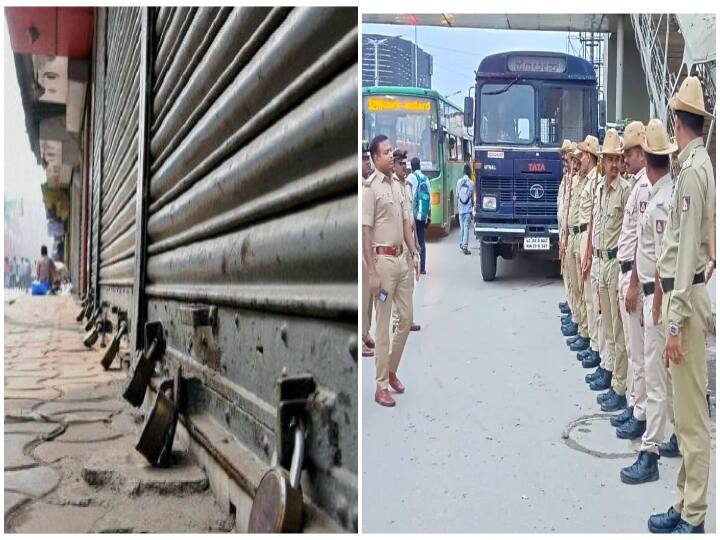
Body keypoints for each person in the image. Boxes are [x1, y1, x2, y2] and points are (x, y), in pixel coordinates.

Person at [649, 76, 715, 534]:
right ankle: (684, 500)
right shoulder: (697, 164)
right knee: (682, 409)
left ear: (676, 121)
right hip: (683, 294)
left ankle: (694, 513)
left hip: (684, 302)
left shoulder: (691, 171)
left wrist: (674, 324)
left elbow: (689, 247)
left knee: (691, 418)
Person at [620, 118, 678, 485]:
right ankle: (671, 436)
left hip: (657, 300)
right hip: (658, 297)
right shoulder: (664, 193)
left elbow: (660, 261)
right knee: (663, 378)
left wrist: (654, 302)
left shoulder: (660, 202)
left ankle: (651, 450)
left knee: (656, 380)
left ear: (648, 157)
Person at [362, 135, 419, 408]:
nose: (389, 156)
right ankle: (381, 385)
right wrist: (372, 274)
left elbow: (406, 222)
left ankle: (392, 368)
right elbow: (365, 232)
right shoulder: (370, 189)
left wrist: (414, 251)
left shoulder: (398, 185)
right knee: (382, 327)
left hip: (402, 261)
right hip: (382, 264)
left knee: (406, 319)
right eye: (385, 153)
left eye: (389, 152)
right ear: (374, 158)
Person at [613, 120, 652, 440]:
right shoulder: (638, 184)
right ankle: (634, 403)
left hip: (634, 276)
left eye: (628, 153)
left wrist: (634, 284)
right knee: (631, 345)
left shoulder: (644, 189)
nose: (624, 158)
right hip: (626, 272)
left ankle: (641, 412)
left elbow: (642, 241)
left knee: (638, 354)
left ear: (642, 152)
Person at [593, 129, 632, 413]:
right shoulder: (603, 189)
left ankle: (620, 387)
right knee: (607, 325)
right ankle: (614, 379)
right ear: (603, 162)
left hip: (618, 263)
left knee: (618, 331)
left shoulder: (626, 190)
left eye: (618, 159)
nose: (614, 164)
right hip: (602, 262)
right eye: (609, 159)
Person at [391, 148, 421, 333]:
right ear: (393, 165)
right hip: (398, 243)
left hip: (409, 240)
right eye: (401, 164)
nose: (405, 167)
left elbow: (410, 218)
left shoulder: (408, 187)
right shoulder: (392, 187)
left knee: (410, 282)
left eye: (405, 164)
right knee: (397, 284)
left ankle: (408, 319)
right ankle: (397, 321)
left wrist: (416, 243)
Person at [361, 141, 375, 358]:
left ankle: (365, 333)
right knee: (363, 293)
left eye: (367, 159)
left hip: (369, 248)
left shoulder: (367, 185)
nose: (366, 163)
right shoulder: (362, 187)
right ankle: (360, 332)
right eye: (362, 160)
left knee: (370, 294)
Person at [408, 157, 430, 274]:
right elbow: (429, 199)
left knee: (409, 239)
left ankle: (412, 264)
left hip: (411, 214)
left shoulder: (410, 178)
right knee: (421, 240)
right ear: (420, 165)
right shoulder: (426, 179)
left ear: (411, 166)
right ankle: (422, 267)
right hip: (422, 214)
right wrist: (428, 215)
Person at [456, 163, 474, 255]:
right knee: (466, 227)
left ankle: (462, 244)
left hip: (460, 209)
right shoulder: (471, 183)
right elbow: (472, 196)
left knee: (462, 227)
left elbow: (457, 195)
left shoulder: (458, 182)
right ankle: (465, 246)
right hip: (467, 210)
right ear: (470, 172)